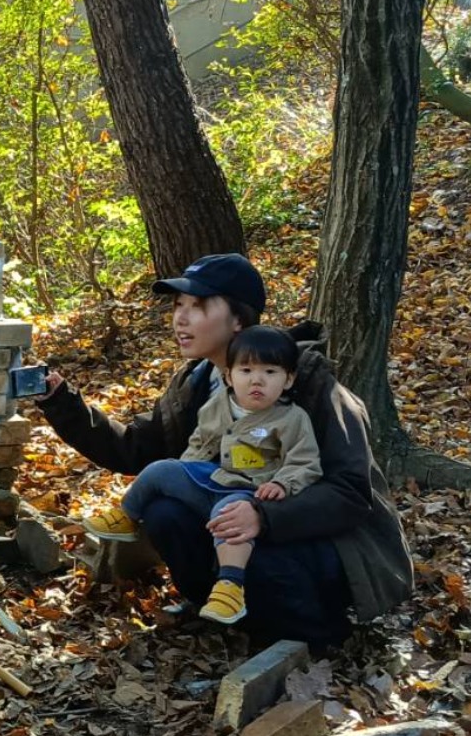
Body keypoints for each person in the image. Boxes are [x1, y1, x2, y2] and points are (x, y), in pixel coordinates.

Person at [32, 253, 411, 647]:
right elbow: (136, 451)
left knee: (254, 547)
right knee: (164, 514)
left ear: (239, 321)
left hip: (331, 542)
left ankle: (314, 633)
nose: (180, 318)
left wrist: (264, 515)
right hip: (235, 515)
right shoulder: (198, 383)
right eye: (178, 306)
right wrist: (62, 402)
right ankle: (225, 611)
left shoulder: (311, 385)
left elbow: (350, 493)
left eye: (197, 307)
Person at [85, 324, 322, 626]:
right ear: (229, 376)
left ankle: (229, 587)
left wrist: (282, 483)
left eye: (270, 372)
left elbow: (305, 461)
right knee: (162, 470)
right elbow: (200, 441)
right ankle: (127, 515)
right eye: (246, 371)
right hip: (213, 478)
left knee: (230, 520)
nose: (257, 380)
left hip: (250, 492)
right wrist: (184, 471)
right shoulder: (219, 404)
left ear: (288, 380)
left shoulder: (291, 418)